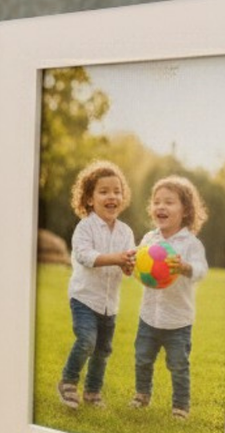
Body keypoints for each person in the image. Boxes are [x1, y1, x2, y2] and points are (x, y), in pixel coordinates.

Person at [132, 176, 211, 419]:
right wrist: (131, 264)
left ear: (185, 210)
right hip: (149, 316)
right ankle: (142, 395)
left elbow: (201, 270)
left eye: (169, 202)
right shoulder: (149, 239)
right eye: (156, 202)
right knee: (142, 358)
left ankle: (180, 406)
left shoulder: (191, 243)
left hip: (178, 320)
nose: (161, 207)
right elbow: (139, 263)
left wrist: (185, 267)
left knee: (178, 366)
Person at [60, 160, 136, 410]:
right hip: (84, 298)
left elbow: (128, 264)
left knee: (103, 350)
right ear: (90, 199)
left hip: (109, 304)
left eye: (117, 191)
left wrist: (128, 266)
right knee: (86, 341)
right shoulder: (85, 227)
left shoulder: (125, 232)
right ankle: (68, 382)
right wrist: (116, 258)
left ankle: (93, 393)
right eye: (103, 191)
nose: (111, 196)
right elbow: (85, 256)